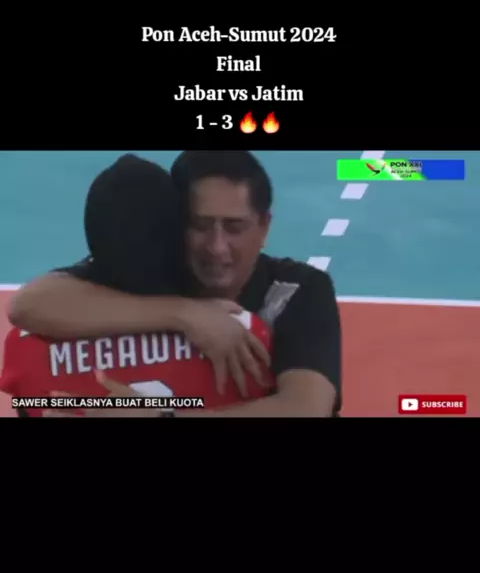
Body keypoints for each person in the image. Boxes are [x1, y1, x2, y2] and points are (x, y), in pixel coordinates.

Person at [8, 150, 342, 417]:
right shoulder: (149, 272)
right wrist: (186, 314)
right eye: (200, 225)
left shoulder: (295, 291)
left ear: (265, 227)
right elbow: (29, 304)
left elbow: (305, 409)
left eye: (234, 227)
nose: (217, 247)